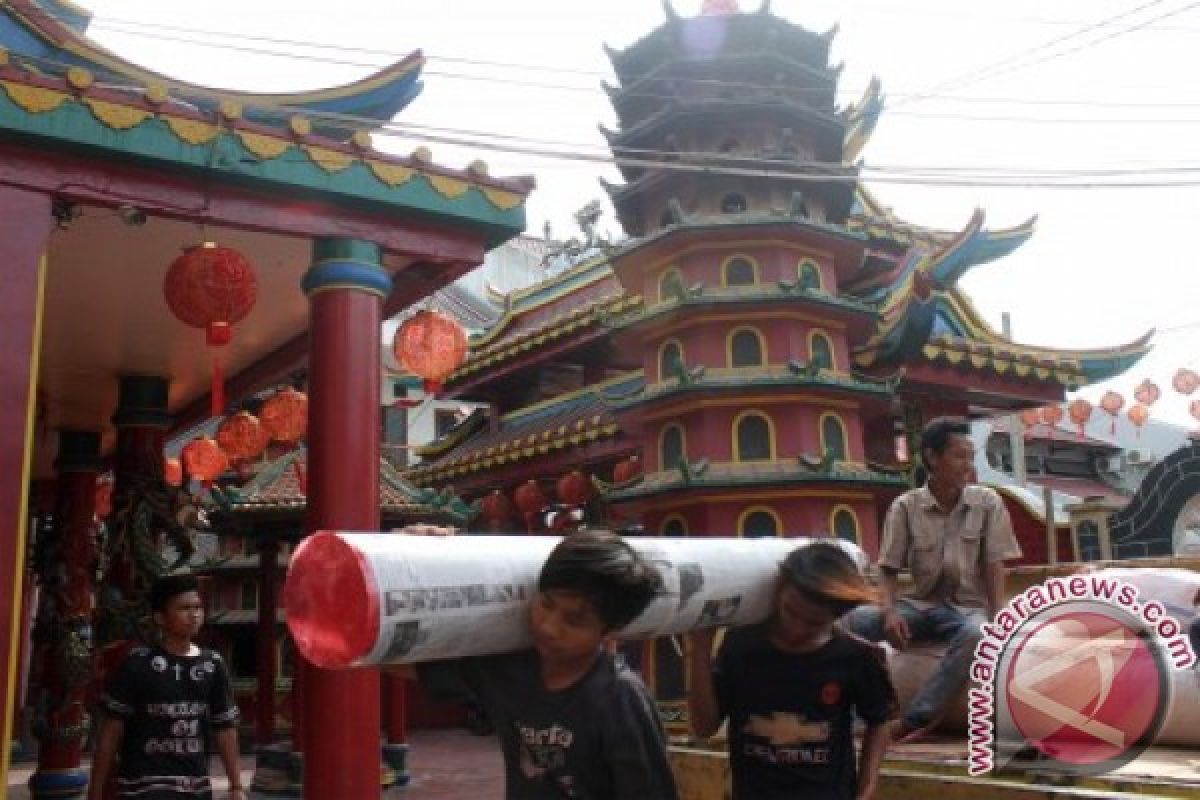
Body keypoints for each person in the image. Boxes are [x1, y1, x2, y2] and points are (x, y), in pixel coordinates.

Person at [388, 528, 679, 800]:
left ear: (611, 628)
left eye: (574, 620)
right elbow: (394, 662)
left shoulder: (621, 700)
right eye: (546, 604)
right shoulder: (509, 670)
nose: (549, 627)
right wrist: (408, 557)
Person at [844, 416, 1022, 743]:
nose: (967, 465)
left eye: (971, 456)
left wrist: (998, 616)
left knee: (977, 634)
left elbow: (995, 564)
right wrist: (890, 612)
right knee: (846, 622)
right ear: (932, 457)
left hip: (967, 609)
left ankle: (913, 720)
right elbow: (888, 568)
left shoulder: (987, 503)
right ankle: (851, 716)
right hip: (919, 606)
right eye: (959, 456)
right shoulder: (906, 506)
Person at [688, 542, 896, 800]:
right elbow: (704, 727)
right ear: (778, 591)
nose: (797, 629)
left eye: (814, 623)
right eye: (791, 612)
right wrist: (700, 648)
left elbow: (879, 721)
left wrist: (867, 789)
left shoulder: (854, 656)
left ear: (836, 617)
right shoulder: (742, 646)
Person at [88, 574, 243, 800]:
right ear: (160, 617)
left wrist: (236, 786)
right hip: (143, 788)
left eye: (198, 607)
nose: (194, 615)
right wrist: (95, 790)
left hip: (195, 788)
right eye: (184, 608)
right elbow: (111, 730)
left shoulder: (213, 665)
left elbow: (225, 728)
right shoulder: (137, 664)